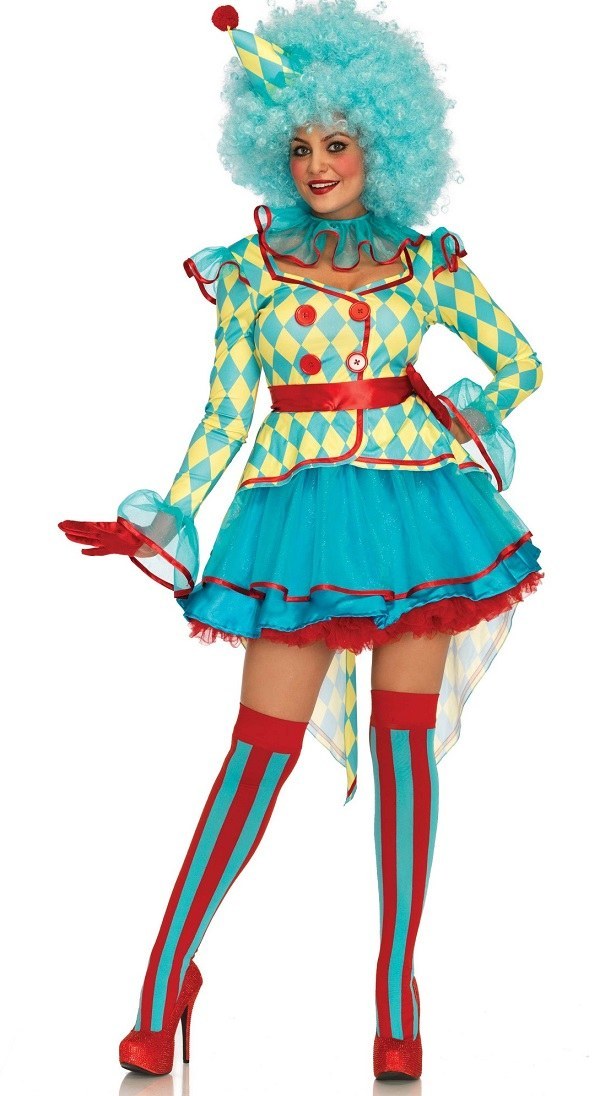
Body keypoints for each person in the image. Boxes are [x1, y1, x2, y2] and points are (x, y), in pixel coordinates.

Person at [58, 0, 543, 1081]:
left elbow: (520, 361)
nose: (318, 165)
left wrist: (464, 411)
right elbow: (228, 413)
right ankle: (166, 975)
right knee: (257, 752)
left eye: (338, 141)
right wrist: (168, 513)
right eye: (299, 146)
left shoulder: (427, 262)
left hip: (421, 516)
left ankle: (395, 990)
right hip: (298, 522)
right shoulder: (249, 270)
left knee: (405, 748)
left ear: (384, 141)